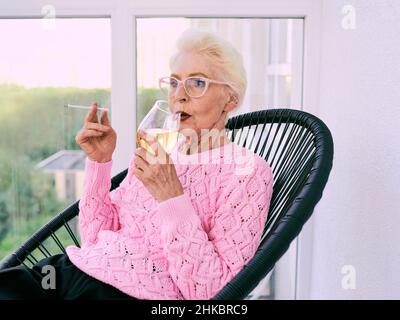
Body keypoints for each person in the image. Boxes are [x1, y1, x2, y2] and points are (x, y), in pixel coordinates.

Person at [0, 29, 273, 300]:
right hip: (68, 272)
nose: (179, 95)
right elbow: (94, 239)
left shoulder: (246, 173)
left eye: (197, 83)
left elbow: (211, 292)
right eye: (175, 82)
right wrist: (99, 163)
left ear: (231, 99)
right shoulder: (157, 151)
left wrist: (170, 195)